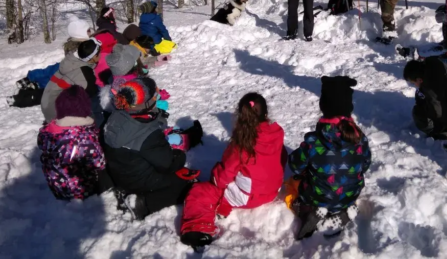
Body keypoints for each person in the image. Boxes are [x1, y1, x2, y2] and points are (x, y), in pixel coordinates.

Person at [180, 93, 286, 249]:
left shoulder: (242, 144)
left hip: (249, 197)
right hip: (273, 190)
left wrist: (214, 177)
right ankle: (223, 206)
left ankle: (197, 230)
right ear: (266, 113)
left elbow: (223, 177)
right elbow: (282, 157)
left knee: (201, 191)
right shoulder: (277, 133)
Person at [103, 78, 201, 219]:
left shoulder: (115, 116)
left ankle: (126, 190)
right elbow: (167, 164)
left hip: (119, 172)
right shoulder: (148, 134)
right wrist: (179, 155)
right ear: (148, 104)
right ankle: (142, 204)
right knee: (188, 186)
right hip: (140, 180)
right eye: (156, 95)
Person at [287, 76, 371, 239]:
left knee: (293, 185)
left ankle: (307, 212)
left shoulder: (314, 141)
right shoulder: (359, 138)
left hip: (318, 197)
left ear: (323, 107)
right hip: (349, 195)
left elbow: (295, 165)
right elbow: (365, 164)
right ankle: (344, 210)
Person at [38, 86, 106, 200]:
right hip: (78, 190)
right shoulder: (84, 139)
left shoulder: (49, 130)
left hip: (56, 184)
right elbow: (100, 163)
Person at [9, 20, 92, 109]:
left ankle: (35, 84)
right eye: (88, 30)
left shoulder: (78, 44)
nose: (91, 32)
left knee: (53, 74)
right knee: (53, 74)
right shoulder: (83, 47)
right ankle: (31, 82)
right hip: (71, 74)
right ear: (80, 33)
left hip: (70, 74)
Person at [41, 38, 101, 123]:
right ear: (94, 57)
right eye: (100, 53)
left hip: (47, 105)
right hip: (57, 114)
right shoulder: (85, 74)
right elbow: (94, 96)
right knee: (97, 110)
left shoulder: (70, 62)